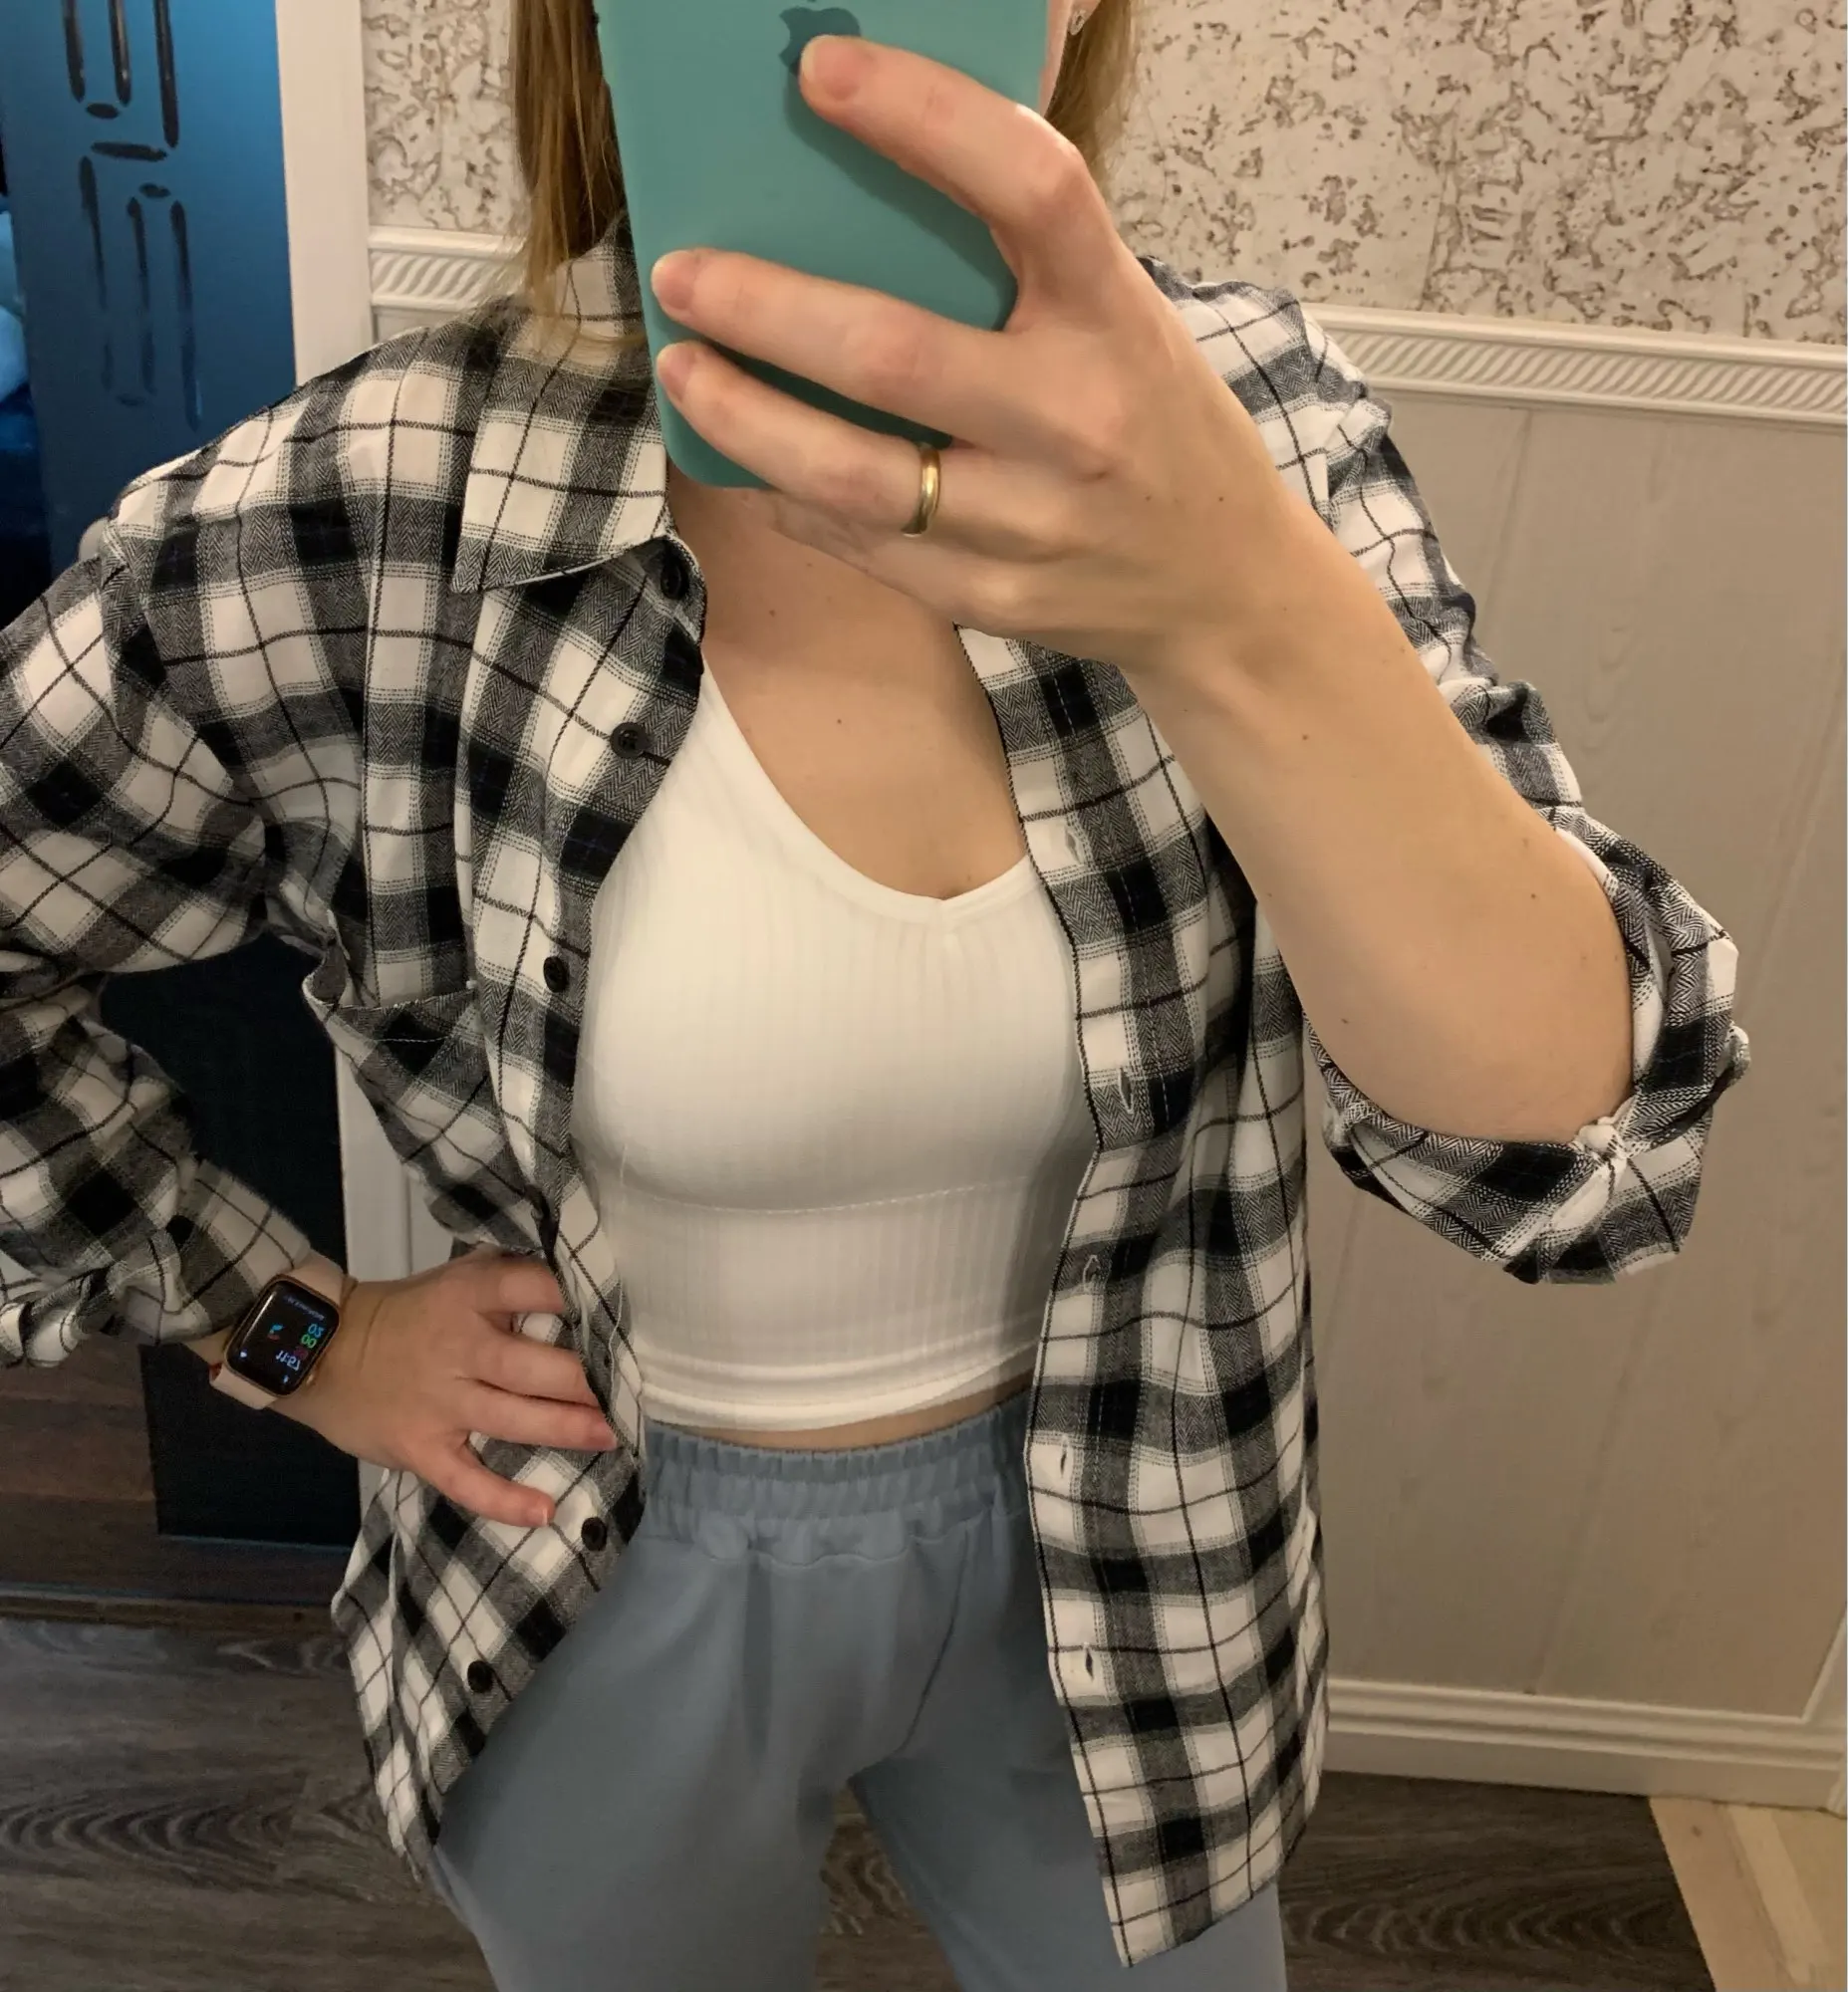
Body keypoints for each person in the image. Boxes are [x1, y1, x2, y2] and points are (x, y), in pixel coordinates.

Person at [0, 0, 1751, 1986]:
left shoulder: (1256, 429)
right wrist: (298, 1330)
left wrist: (1229, 600)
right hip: (594, 1557)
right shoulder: (365, 506)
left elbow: (1576, 1156)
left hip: (1144, 1546)